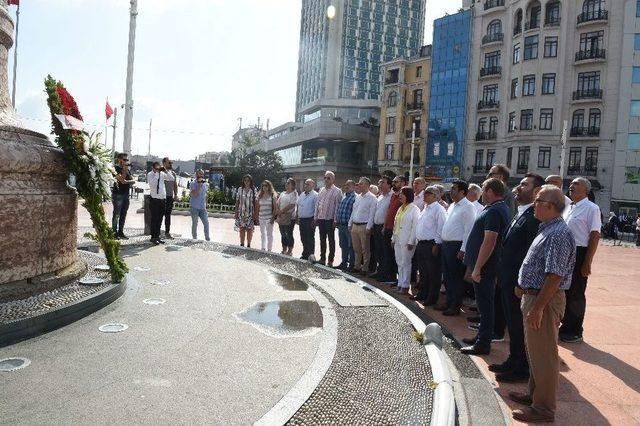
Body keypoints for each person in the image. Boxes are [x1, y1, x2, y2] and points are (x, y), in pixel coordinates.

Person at [510, 185, 575, 423]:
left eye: (538, 200)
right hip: (535, 296)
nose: (534, 204)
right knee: (535, 352)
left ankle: (544, 409)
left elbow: (555, 276)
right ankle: (534, 396)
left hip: (543, 300)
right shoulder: (548, 229)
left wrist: (537, 307)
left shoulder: (557, 233)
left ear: (549, 206)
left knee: (544, 355)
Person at [490, 174, 543, 383]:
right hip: (507, 278)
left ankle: (521, 367)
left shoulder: (534, 217)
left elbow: (532, 253)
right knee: (512, 324)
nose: (519, 187)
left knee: (518, 325)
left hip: (518, 283)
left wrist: (522, 282)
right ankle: (514, 360)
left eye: (525, 184)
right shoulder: (521, 212)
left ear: (536, 190)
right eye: (520, 184)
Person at [460, 178, 509, 355]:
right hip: (485, 265)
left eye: (483, 188)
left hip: (486, 267)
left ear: (489, 190)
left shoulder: (495, 211)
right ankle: (482, 336)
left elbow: (490, 241)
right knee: (484, 305)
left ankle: (483, 343)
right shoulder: (494, 209)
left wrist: (478, 267)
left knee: (486, 305)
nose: (482, 192)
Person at [559, 177, 601, 343]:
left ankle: (575, 329)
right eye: (571, 184)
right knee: (564, 289)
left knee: (576, 292)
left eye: (576, 184)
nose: (571, 186)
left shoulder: (592, 208)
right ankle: (565, 324)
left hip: (580, 252)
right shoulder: (568, 207)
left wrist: (587, 262)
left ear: (586, 189)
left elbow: (595, 235)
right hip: (565, 252)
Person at [437, 180, 476, 315]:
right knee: (447, 276)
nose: (451, 191)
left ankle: (455, 305)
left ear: (462, 192)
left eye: (454, 189)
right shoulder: (453, 205)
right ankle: (449, 301)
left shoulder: (468, 207)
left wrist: (463, 249)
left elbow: (469, 230)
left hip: (457, 246)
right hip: (447, 245)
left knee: (456, 277)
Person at [412, 186, 447, 305]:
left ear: (436, 196)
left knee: (433, 273)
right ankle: (423, 293)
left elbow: (440, 227)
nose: (425, 195)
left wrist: (437, 244)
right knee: (423, 271)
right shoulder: (426, 208)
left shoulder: (439, 209)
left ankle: (432, 298)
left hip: (431, 244)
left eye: (428, 193)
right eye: (425, 192)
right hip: (421, 244)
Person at [392, 186, 420, 294]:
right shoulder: (400, 208)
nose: (400, 196)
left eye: (402, 194)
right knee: (399, 262)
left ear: (408, 195)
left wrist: (411, 241)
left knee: (406, 263)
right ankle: (400, 283)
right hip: (398, 239)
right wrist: (393, 238)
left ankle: (405, 285)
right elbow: (396, 224)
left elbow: (415, 226)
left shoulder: (414, 209)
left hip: (407, 240)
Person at [381, 175, 407, 282]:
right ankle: (388, 275)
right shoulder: (393, 196)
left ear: (403, 183)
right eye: (394, 181)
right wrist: (384, 226)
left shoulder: (404, 197)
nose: (394, 183)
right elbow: (389, 212)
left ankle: (393, 277)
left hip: (395, 230)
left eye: (396, 182)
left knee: (394, 255)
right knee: (386, 253)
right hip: (387, 228)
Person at [314, 171, 343, 266]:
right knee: (322, 240)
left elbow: (337, 207)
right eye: (325, 178)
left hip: (330, 220)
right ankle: (322, 259)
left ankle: (330, 260)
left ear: (333, 179)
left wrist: (335, 221)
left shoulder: (337, 191)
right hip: (321, 219)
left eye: (328, 178)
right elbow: (318, 204)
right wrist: (316, 217)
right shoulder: (321, 190)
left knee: (331, 240)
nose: (326, 179)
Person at [349, 177, 377, 274]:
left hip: (364, 226)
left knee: (365, 249)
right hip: (355, 226)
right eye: (359, 183)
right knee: (356, 248)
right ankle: (357, 267)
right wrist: (350, 223)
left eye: (361, 184)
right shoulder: (358, 197)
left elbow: (372, 214)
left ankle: (365, 268)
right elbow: (354, 211)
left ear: (367, 185)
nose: (359, 185)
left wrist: (369, 227)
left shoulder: (372, 198)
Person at [370, 176, 392, 278]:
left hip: (384, 227)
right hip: (376, 226)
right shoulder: (380, 197)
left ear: (389, 184)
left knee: (384, 251)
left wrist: (384, 226)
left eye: (382, 182)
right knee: (378, 250)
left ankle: (385, 273)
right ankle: (379, 271)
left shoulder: (392, 196)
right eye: (379, 183)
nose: (380, 184)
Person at [112, 153, 135, 239]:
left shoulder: (127, 170)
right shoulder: (115, 168)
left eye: (127, 160)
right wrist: (125, 171)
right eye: (124, 160)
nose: (126, 162)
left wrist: (127, 181)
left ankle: (120, 232)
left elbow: (133, 181)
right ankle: (114, 233)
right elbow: (121, 180)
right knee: (116, 214)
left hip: (126, 195)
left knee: (123, 214)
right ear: (119, 160)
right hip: (118, 194)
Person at [335, 180, 356, 270]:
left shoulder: (355, 198)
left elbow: (354, 212)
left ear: (354, 187)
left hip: (349, 226)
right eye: (345, 185)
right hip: (341, 225)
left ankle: (351, 264)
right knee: (343, 245)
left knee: (351, 246)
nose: (346, 186)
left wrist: (350, 225)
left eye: (349, 185)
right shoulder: (344, 197)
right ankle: (344, 263)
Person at [147, 162, 169, 245]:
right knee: (154, 219)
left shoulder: (162, 173)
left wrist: (165, 171)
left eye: (158, 168)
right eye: (156, 168)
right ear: (153, 168)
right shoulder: (150, 174)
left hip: (162, 199)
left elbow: (171, 178)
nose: (158, 169)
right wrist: (156, 173)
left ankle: (158, 236)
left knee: (160, 219)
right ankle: (153, 237)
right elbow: (152, 184)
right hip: (154, 199)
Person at [234, 174, 258, 248]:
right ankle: (241, 244)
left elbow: (255, 203)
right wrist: (236, 212)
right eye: (245, 180)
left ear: (251, 181)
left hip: (250, 213)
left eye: (248, 180)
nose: (246, 182)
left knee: (250, 230)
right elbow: (237, 201)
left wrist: (255, 214)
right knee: (242, 229)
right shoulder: (240, 189)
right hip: (242, 213)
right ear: (243, 181)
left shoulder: (253, 190)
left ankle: (248, 245)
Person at [275, 178, 297, 256]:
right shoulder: (282, 193)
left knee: (289, 234)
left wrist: (281, 211)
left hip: (289, 217)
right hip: (281, 216)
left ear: (293, 186)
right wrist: (278, 210)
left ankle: (290, 250)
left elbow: (292, 204)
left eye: (288, 183)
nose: (286, 184)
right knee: (283, 234)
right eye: (286, 183)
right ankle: (284, 249)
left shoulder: (294, 194)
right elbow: (277, 203)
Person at [297, 179, 318, 260]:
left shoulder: (315, 195)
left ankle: (310, 256)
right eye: (305, 184)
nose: (305, 185)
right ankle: (305, 254)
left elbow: (317, 208)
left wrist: (315, 220)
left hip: (310, 220)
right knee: (303, 238)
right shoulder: (302, 194)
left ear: (313, 186)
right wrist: (297, 217)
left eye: (308, 184)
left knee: (310, 238)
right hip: (302, 219)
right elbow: (299, 205)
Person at [190, 169, 210, 241]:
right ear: (196, 175)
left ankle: (207, 239)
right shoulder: (193, 183)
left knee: (206, 223)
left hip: (202, 208)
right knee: (195, 223)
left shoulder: (205, 184)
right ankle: (194, 238)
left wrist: (206, 204)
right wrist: (198, 184)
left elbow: (205, 194)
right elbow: (195, 194)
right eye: (199, 174)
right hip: (194, 207)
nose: (201, 175)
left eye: (202, 174)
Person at [257, 180, 277, 252]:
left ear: (269, 186)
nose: (264, 187)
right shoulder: (260, 195)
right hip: (261, 217)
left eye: (266, 185)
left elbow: (275, 208)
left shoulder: (272, 195)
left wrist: (272, 218)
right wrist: (257, 217)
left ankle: (269, 249)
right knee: (263, 234)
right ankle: (263, 247)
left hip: (269, 218)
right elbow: (258, 207)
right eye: (263, 185)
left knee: (269, 234)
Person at [162, 157, 178, 239]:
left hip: (169, 197)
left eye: (171, 163)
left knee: (168, 215)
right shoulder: (161, 172)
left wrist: (175, 194)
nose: (171, 164)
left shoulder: (173, 173)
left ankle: (167, 232)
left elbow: (175, 185)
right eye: (169, 162)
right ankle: (156, 233)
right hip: (161, 197)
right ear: (164, 163)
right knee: (159, 215)